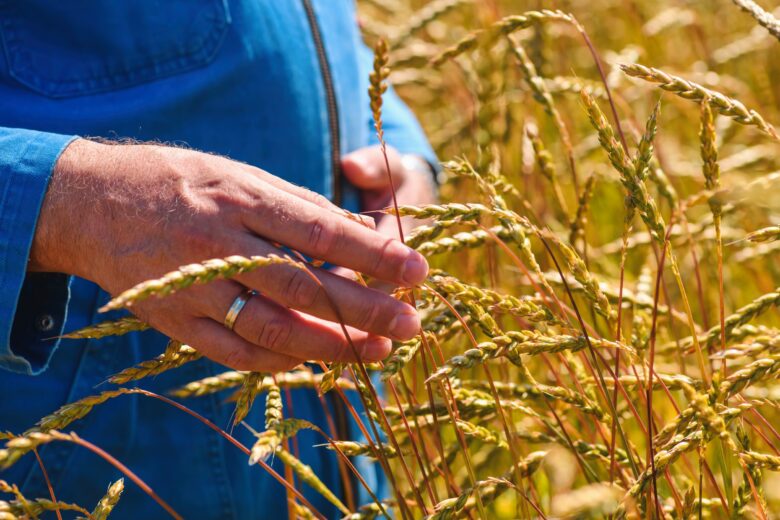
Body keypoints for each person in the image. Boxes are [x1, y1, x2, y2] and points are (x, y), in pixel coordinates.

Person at [0, 1, 437, 518]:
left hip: (338, 435)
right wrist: (74, 206)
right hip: (94, 443)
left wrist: (401, 155)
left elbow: (324, 31)